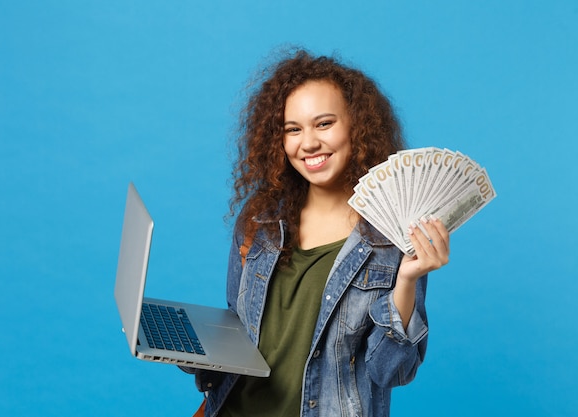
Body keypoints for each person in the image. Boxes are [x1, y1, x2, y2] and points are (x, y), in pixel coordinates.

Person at [192, 48, 450, 417]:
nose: (308, 143)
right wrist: (191, 346)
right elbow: (240, 326)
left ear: (357, 126)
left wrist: (407, 281)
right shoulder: (260, 221)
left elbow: (391, 370)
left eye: (324, 124)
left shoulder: (394, 238)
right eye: (292, 129)